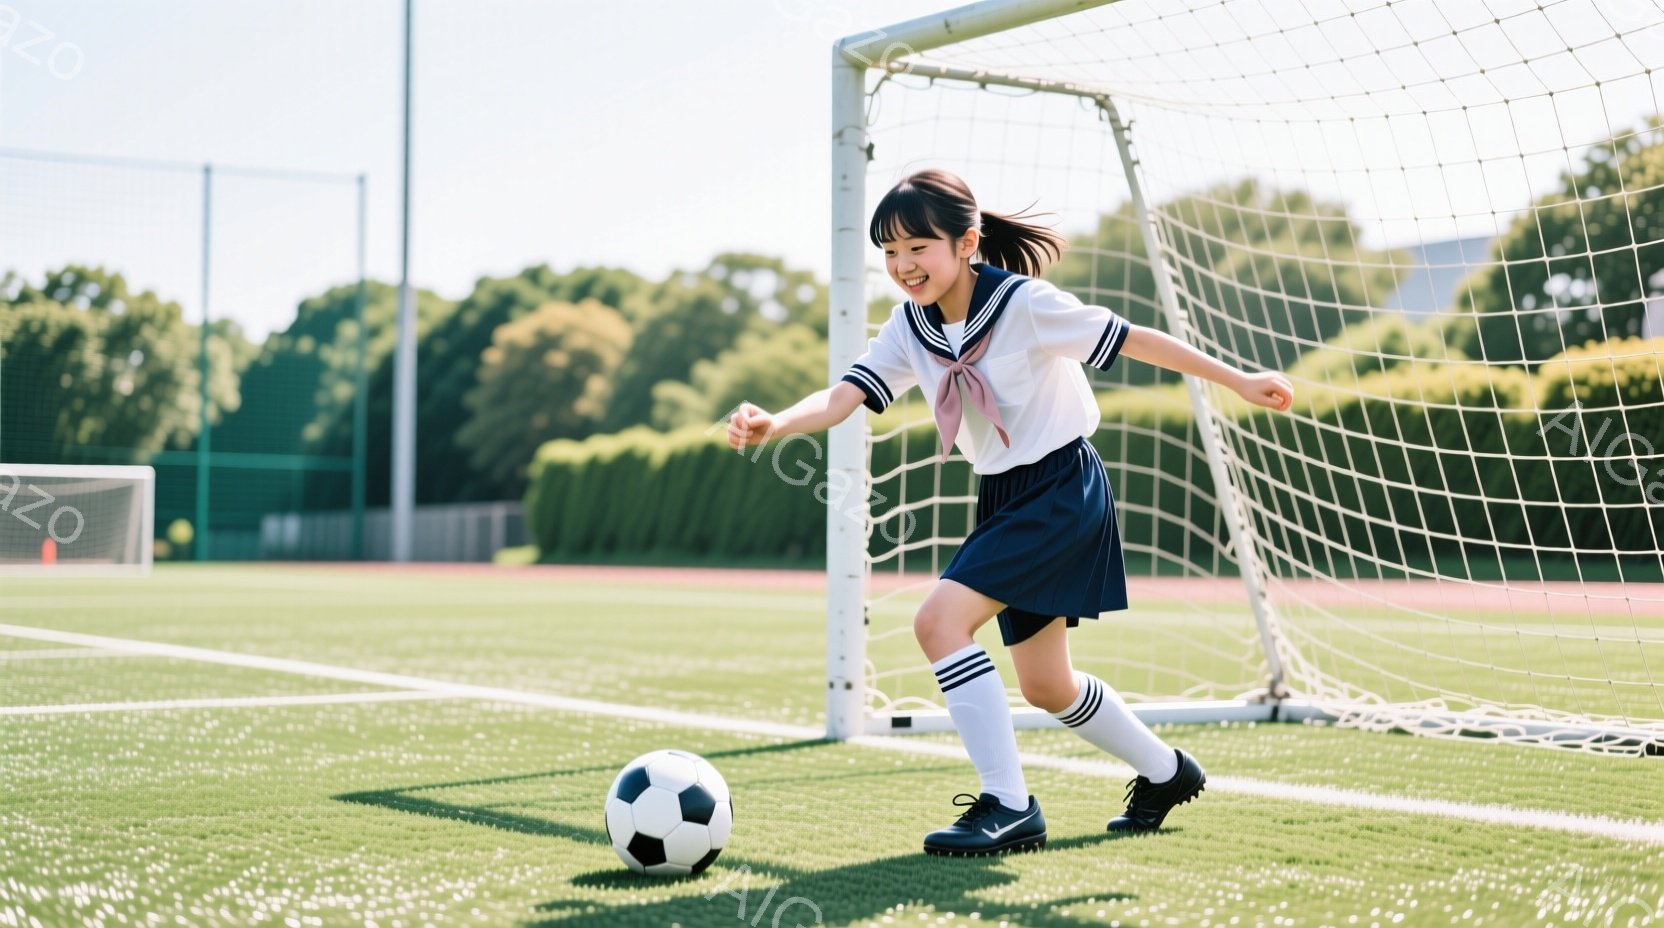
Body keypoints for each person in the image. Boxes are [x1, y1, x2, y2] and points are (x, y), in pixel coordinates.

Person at [727, 169, 1293, 856]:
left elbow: (1135, 338)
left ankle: (1008, 804)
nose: (903, 265)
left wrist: (1239, 380)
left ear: (967, 242)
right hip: (1002, 494)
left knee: (938, 622)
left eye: (918, 247)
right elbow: (846, 394)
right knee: (1047, 684)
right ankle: (1168, 772)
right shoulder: (909, 327)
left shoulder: (1024, 304)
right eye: (891, 251)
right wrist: (775, 423)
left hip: (1061, 487)